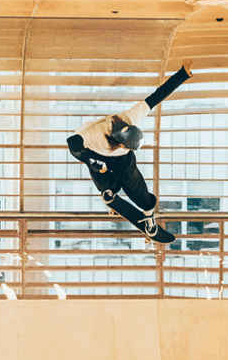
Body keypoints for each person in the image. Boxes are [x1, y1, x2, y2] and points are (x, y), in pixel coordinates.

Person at [68, 61, 193, 245]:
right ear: (118, 141)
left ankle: (149, 218)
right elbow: (72, 143)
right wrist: (88, 160)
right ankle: (109, 190)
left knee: (136, 189)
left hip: (122, 160)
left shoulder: (129, 117)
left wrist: (183, 74)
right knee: (102, 178)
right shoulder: (93, 136)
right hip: (96, 154)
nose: (128, 149)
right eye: (127, 146)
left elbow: (156, 97)